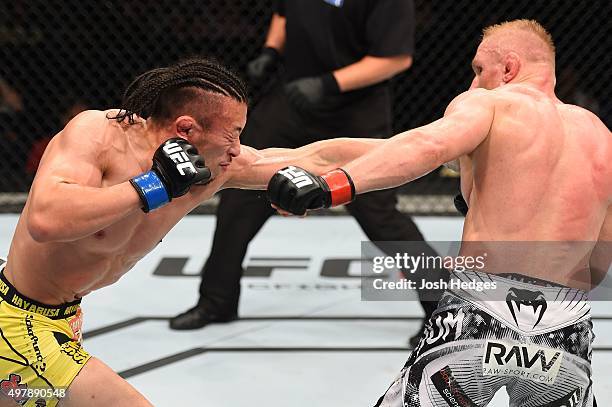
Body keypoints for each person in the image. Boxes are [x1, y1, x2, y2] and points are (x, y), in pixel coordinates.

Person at [0, 57, 385, 406]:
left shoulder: (214, 168)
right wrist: (151, 186)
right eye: (232, 133)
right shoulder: (100, 134)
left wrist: (435, 143)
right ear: (187, 128)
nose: (238, 148)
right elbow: (46, 220)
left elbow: (315, 157)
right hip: (16, 323)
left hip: (59, 318)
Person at [267, 20, 611, 406]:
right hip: (565, 333)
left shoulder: (490, 102)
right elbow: (598, 264)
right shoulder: (601, 137)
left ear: (509, 68)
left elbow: (428, 146)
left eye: (479, 70)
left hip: (480, 312)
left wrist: (332, 186)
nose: (473, 83)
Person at [170, 0, 447, 345]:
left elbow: (394, 58)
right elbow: (283, 13)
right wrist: (272, 50)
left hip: (354, 110)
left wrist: (328, 84)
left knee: (381, 217)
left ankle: (443, 314)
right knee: (237, 197)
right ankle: (216, 301)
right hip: (294, 102)